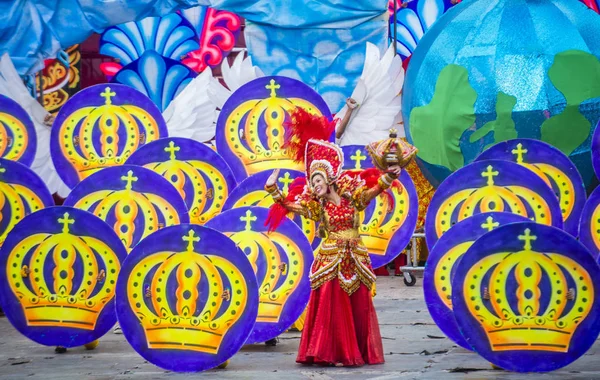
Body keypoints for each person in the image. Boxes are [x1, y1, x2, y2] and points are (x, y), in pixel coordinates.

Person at [264, 107, 403, 367]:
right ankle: (328, 352)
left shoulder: (351, 197)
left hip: (355, 256)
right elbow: (287, 206)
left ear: (329, 179)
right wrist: (273, 189)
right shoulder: (317, 207)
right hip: (330, 259)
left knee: (357, 305)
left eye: (319, 179)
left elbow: (372, 192)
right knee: (332, 305)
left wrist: (387, 177)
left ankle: (357, 352)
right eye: (312, 181)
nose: (315, 184)